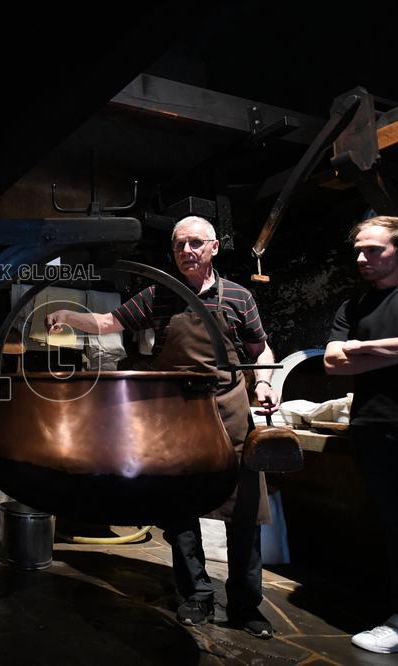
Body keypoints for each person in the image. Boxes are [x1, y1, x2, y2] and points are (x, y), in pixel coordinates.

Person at [46, 215, 280, 638]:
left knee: (243, 512)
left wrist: (263, 382)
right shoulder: (159, 295)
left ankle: (247, 605)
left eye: (194, 243)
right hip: (177, 415)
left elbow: (261, 351)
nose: (186, 251)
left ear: (213, 247)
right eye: (178, 246)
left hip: (229, 410)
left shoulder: (240, 297)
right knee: (180, 510)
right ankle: (196, 595)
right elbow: (107, 324)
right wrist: (67, 314)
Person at [324, 215, 398, 656]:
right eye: (358, 251)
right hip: (372, 428)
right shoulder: (354, 305)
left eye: (373, 250)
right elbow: (330, 363)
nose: (362, 259)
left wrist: (363, 352)